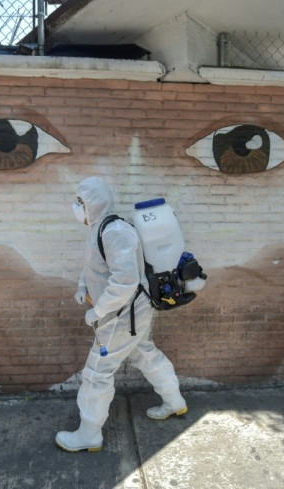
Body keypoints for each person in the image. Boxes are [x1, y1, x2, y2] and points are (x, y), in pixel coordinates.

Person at [56, 176, 187, 453]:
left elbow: (125, 281)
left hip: (122, 316)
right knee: (145, 354)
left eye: (80, 201)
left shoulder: (115, 231)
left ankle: (89, 434)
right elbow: (95, 265)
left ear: (94, 203)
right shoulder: (97, 229)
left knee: (97, 371)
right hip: (124, 315)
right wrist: (83, 287)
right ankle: (175, 402)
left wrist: (97, 311)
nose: (75, 206)